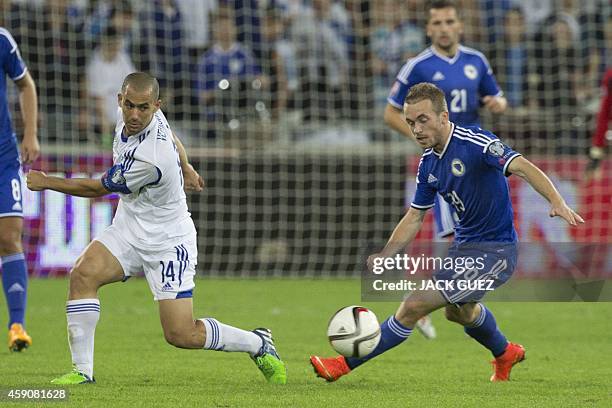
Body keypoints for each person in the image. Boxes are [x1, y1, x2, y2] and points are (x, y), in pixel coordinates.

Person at [310, 82, 583, 382]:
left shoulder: (475, 141)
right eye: (411, 122)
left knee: (414, 305)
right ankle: (505, 353)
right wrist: (387, 255)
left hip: (496, 251)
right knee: (458, 313)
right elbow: (415, 215)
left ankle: (341, 365)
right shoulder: (428, 164)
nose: (416, 129)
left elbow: (522, 166)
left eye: (423, 120)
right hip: (464, 249)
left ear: (443, 116)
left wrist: (557, 201)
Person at [26, 72, 287, 385]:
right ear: (120, 100)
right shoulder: (147, 115)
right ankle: (82, 372)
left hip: (167, 241)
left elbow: (96, 189)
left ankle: (258, 342)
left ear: (156, 105)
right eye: (130, 106)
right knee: (83, 274)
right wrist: (187, 165)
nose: (135, 115)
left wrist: (47, 182)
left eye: (144, 108)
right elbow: (173, 135)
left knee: (181, 333)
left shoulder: (150, 158)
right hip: (129, 227)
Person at [383, 0, 508, 338]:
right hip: (443, 163)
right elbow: (391, 112)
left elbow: (496, 97)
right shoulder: (417, 66)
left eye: (449, 21)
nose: (443, 28)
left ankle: (431, 300)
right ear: (428, 28)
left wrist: (498, 103)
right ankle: (423, 300)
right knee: (452, 232)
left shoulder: (476, 61)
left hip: (477, 162)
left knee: (462, 236)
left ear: (459, 26)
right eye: (436, 22)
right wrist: (422, 140)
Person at [0, 27, 39, 352]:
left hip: (3, 156)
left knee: (9, 236)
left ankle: (17, 325)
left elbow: (25, 84)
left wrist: (30, 134)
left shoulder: (2, 40)